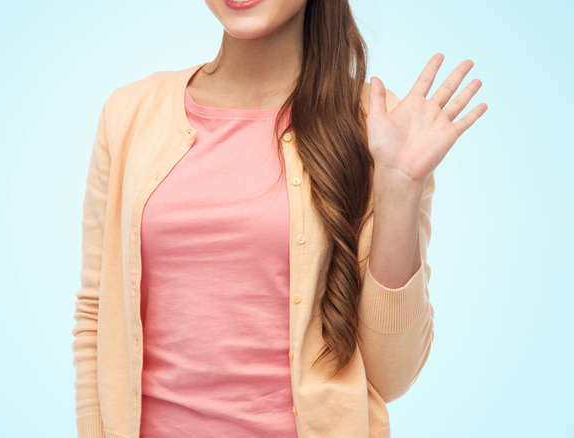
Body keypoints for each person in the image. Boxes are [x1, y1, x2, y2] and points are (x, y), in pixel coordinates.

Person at [71, 0, 487, 437]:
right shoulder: (130, 113)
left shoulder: (378, 126)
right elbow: (96, 314)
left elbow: (391, 375)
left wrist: (399, 187)